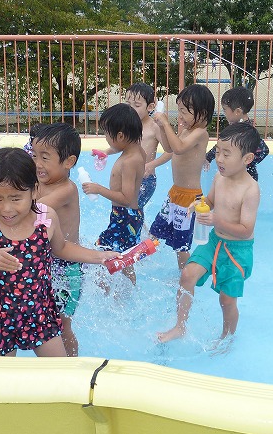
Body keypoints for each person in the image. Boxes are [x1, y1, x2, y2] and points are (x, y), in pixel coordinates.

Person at [0, 148, 117, 358]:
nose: (7, 208)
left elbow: (61, 248)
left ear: (34, 191)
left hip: (40, 315)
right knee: (2, 376)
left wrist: (99, 256)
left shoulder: (45, 217)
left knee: (58, 370)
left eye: (16, 199)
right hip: (0, 319)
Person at [157, 123, 261, 344]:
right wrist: (199, 204)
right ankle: (180, 326)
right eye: (218, 151)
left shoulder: (250, 190)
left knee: (227, 300)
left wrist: (216, 220)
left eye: (226, 154)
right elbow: (211, 201)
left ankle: (226, 338)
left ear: (247, 159)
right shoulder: (219, 178)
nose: (219, 159)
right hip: (214, 242)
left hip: (237, 251)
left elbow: (246, 231)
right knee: (187, 275)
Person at [150, 84, 215, 270]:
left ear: (202, 114)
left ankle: (184, 276)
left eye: (184, 112)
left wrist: (166, 123)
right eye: (179, 111)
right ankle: (140, 260)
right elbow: (169, 148)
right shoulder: (186, 130)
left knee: (181, 246)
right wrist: (162, 127)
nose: (180, 116)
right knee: (156, 231)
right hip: (175, 194)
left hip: (189, 199)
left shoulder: (200, 134)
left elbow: (178, 148)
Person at [32, 123, 83, 356]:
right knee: (43, 319)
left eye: (45, 158)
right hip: (47, 263)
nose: (37, 163)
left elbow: (29, 209)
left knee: (62, 325)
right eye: (34, 155)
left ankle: (71, 366)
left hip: (67, 268)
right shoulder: (37, 183)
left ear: (69, 162)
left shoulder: (67, 190)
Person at [82, 103, 146, 284]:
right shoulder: (137, 151)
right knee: (125, 259)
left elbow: (126, 198)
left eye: (107, 135)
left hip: (124, 217)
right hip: (129, 217)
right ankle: (128, 292)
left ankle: (105, 291)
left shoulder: (129, 162)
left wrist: (98, 189)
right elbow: (120, 146)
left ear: (120, 136)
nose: (106, 139)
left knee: (102, 252)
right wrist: (106, 152)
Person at [97, 83, 170, 212]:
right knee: (127, 209)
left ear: (150, 107)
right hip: (130, 176)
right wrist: (106, 152)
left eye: (136, 105)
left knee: (132, 208)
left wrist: (151, 165)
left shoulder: (154, 127)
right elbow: (124, 145)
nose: (131, 109)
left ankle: (137, 223)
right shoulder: (128, 127)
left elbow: (169, 151)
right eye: (128, 104)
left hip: (146, 179)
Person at [204, 86, 269, 181]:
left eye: (225, 110)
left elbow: (264, 150)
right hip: (236, 174)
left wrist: (245, 163)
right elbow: (223, 146)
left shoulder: (246, 131)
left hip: (246, 176)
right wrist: (208, 157)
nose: (224, 113)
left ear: (238, 111)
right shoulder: (237, 128)